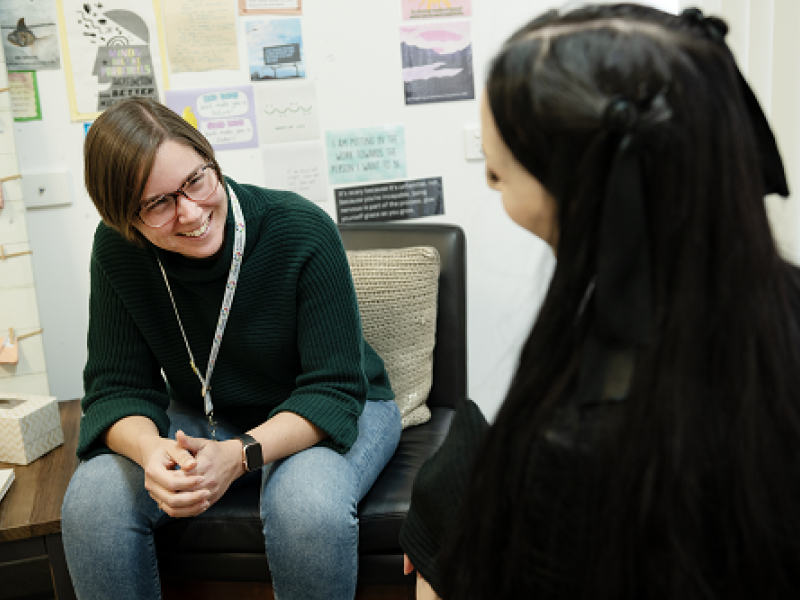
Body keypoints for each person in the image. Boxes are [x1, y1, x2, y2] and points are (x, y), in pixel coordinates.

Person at [400, 4, 800, 599]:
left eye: (497, 167)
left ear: (581, 187)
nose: (488, 179)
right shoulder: (772, 299)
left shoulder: (578, 449)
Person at [60, 97, 402, 600]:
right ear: (124, 219)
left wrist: (239, 455)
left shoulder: (300, 228)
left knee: (306, 506)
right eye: (157, 204)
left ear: (210, 160)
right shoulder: (117, 249)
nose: (192, 212)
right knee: (93, 501)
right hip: (204, 413)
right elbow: (115, 389)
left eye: (197, 180)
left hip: (335, 406)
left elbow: (333, 389)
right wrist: (151, 450)